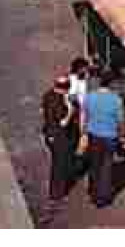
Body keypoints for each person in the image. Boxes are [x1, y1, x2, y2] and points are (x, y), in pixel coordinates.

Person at [80, 70, 125, 209]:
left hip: (93, 135)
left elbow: (83, 117)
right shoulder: (116, 100)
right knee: (106, 166)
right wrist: (123, 135)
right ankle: (103, 197)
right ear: (111, 84)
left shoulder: (90, 97)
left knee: (94, 165)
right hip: (110, 136)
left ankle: (93, 193)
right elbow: (121, 121)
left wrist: (83, 133)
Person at [40, 74, 78, 203]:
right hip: (59, 136)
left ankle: (55, 191)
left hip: (50, 134)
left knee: (57, 163)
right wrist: (70, 110)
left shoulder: (48, 95)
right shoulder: (60, 101)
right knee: (60, 164)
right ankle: (58, 193)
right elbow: (63, 123)